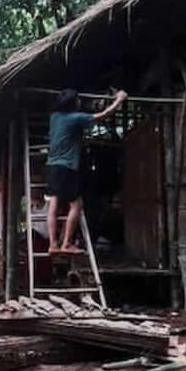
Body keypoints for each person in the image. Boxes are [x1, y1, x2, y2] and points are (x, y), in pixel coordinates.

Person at [46, 88, 127, 254]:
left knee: (53, 205)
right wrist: (119, 100)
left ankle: (53, 244)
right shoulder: (75, 118)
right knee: (76, 205)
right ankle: (67, 243)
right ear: (73, 103)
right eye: (77, 100)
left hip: (53, 166)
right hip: (67, 167)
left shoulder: (55, 117)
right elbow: (102, 116)